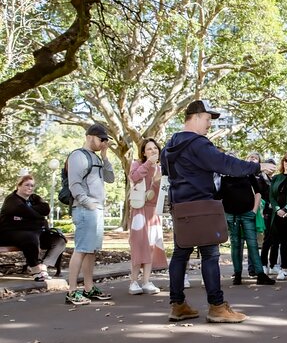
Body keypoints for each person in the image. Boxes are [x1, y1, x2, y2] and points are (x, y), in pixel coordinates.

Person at [162, 100, 276, 323]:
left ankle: (177, 305)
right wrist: (257, 166)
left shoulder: (170, 145)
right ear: (195, 117)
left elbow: (166, 171)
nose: (209, 125)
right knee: (211, 255)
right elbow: (225, 164)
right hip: (202, 206)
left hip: (181, 206)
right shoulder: (198, 143)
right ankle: (217, 306)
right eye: (207, 119)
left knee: (180, 254)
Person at [65, 123, 116, 305]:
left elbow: (110, 178)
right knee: (81, 250)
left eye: (105, 140)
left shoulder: (96, 157)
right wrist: (89, 204)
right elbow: (75, 184)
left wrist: (105, 156)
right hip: (86, 209)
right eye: (101, 139)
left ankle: (88, 287)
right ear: (90, 136)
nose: (103, 142)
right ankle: (72, 290)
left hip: (96, 210)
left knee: (91, 251)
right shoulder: (78, 155)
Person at [216, 168, 275, 286]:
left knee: (252, 244)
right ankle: (237, 274)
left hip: (247, 214)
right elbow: (219, 197)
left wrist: (254, 210)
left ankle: (260, 274)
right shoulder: (224, 178)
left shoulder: (248, 175)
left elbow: (258, 192)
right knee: (236, 244)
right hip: (232, 215)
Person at [0, 175, 64, 281]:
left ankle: (44, 266)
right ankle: (35, 269)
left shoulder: (34, 198)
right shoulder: (12, 200)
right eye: (27, 185)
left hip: (35, 232)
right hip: (11, 233)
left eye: (32, 185)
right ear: (19, 186)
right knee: (30, 237)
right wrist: (37, 216)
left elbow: (45, 208)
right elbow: (29, 213)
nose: (30, 187)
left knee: (59, 239)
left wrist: (28, 214)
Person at [127, 138, 168, 295]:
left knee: (151, 245)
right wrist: (148, 164)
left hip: (153, 212)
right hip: (139, 210)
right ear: (143, 152)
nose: (153, 151)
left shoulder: (161, 169)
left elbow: (163, 192)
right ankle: (133, 282)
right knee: (138, 245)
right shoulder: (137, 164)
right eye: (149, 149)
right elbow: (134, 177)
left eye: (155, 148)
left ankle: (146, 281)